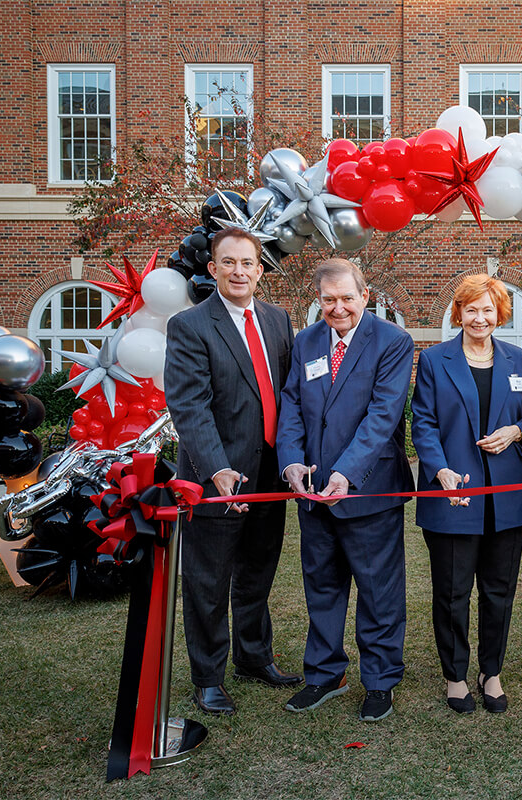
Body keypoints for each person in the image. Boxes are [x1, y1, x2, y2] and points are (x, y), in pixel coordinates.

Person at [164, 227, 300, 716]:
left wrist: (292, 459)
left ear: (261, 271)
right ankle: (208, 675)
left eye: (249, 263)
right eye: (230, 262)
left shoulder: (278, 319)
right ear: (213, 268)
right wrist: (216, 468)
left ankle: (254, 657)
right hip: (216, 478)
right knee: (208, 580)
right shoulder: (190, 325)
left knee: (257, 573)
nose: (240, 271)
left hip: (269, 475)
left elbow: (288, 396)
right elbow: (189, 406)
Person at [276, 259, 415, 721]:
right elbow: (291, 404)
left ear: (365, 293)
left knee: (378, 592)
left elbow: (383, 415)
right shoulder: (306, 341)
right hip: (313, 493)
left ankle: (379, 681)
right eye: (329, 299)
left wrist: (347, 474)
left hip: (368, 491)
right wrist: (291, 462)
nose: (338, 308)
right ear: (319, 299)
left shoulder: (392, 341)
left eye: (347, 298)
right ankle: (324, 673)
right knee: (322, 587)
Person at [410, 275, 522, 714]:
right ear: (458, 313)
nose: (479, 318)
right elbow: (423, 422)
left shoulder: (519, 360)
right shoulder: (433, 360)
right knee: (452, 591)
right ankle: (455, 675)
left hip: (507, 496)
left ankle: (492, 671)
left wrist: (516, 431)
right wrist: (439, 469)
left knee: (498, 590)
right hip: (452, 494)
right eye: (471, 309)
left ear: (499, 313)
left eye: (488, 309)